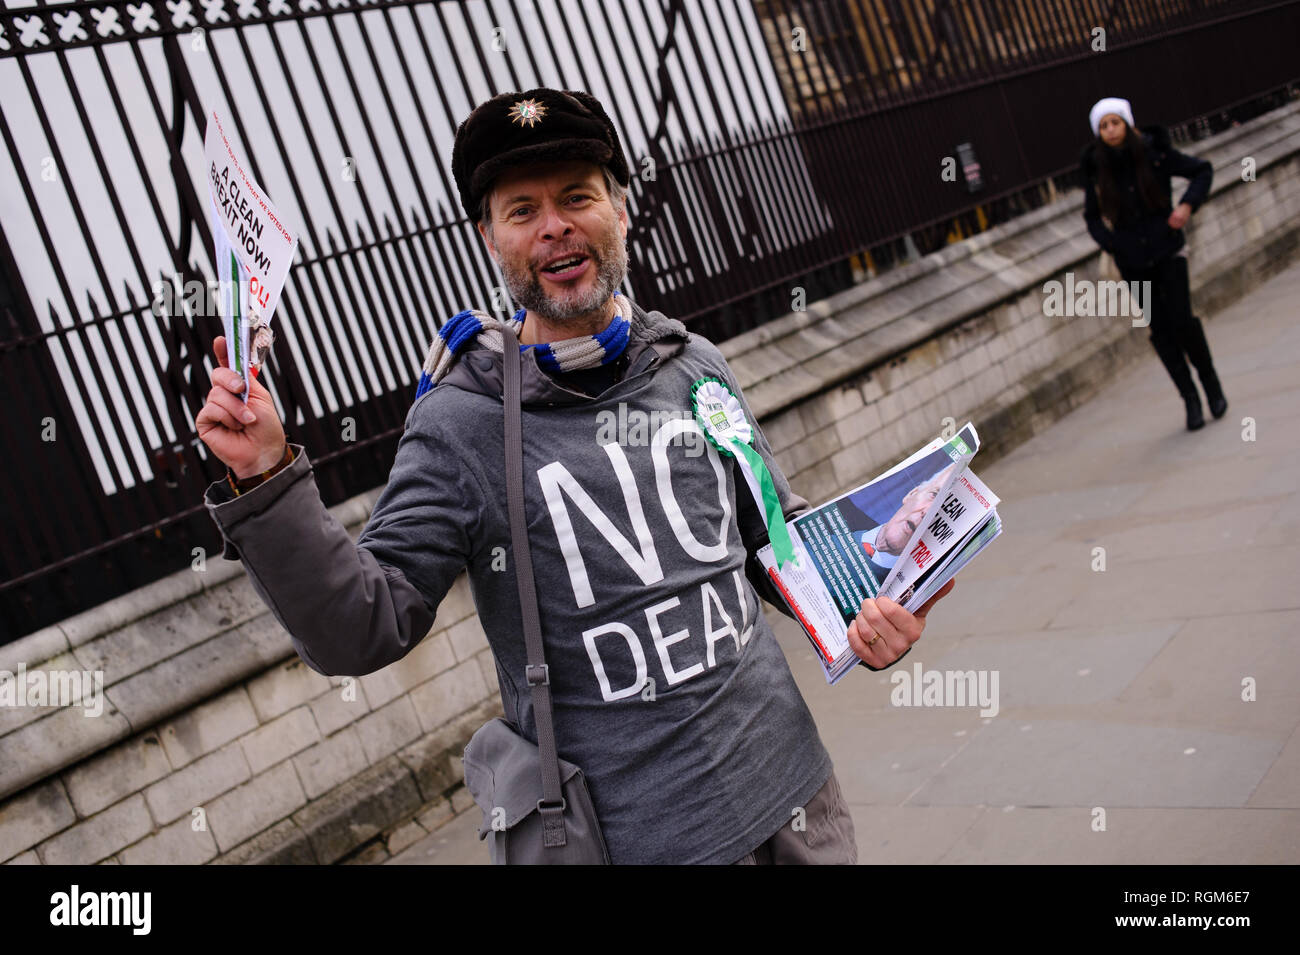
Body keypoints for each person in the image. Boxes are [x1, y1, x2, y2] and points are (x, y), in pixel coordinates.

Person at [194, 87, 956, 865]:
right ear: (490, 238)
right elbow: (359, 625)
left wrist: (876, 593)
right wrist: (266, 475)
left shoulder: (693, 365)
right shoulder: (461, 423)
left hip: (800, 807)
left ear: (619, 210)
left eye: (576, 196)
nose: (553, 225)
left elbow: (773, 537)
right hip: (638, 847)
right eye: (522, 210)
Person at [1080, 96, 1226, 431]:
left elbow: (1201, 171)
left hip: (1168, 250)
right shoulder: (1096, 168)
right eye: (1103, 126)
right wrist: (1112, 243)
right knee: (1159, 330)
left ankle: (1211, 385)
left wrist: (1186, 206)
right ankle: (1189, 398)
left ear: (1128, 123)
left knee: (1182, 320)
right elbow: (1091, 217)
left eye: (1115, 122)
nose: (1110, 130)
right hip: (1132, 262)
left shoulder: (1154, 152)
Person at [842, 464, 957, 585]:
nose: (927, 512)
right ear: (912, 494)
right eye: (934, 494)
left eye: (940, 513)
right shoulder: (841, 511)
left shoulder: (912, 585)